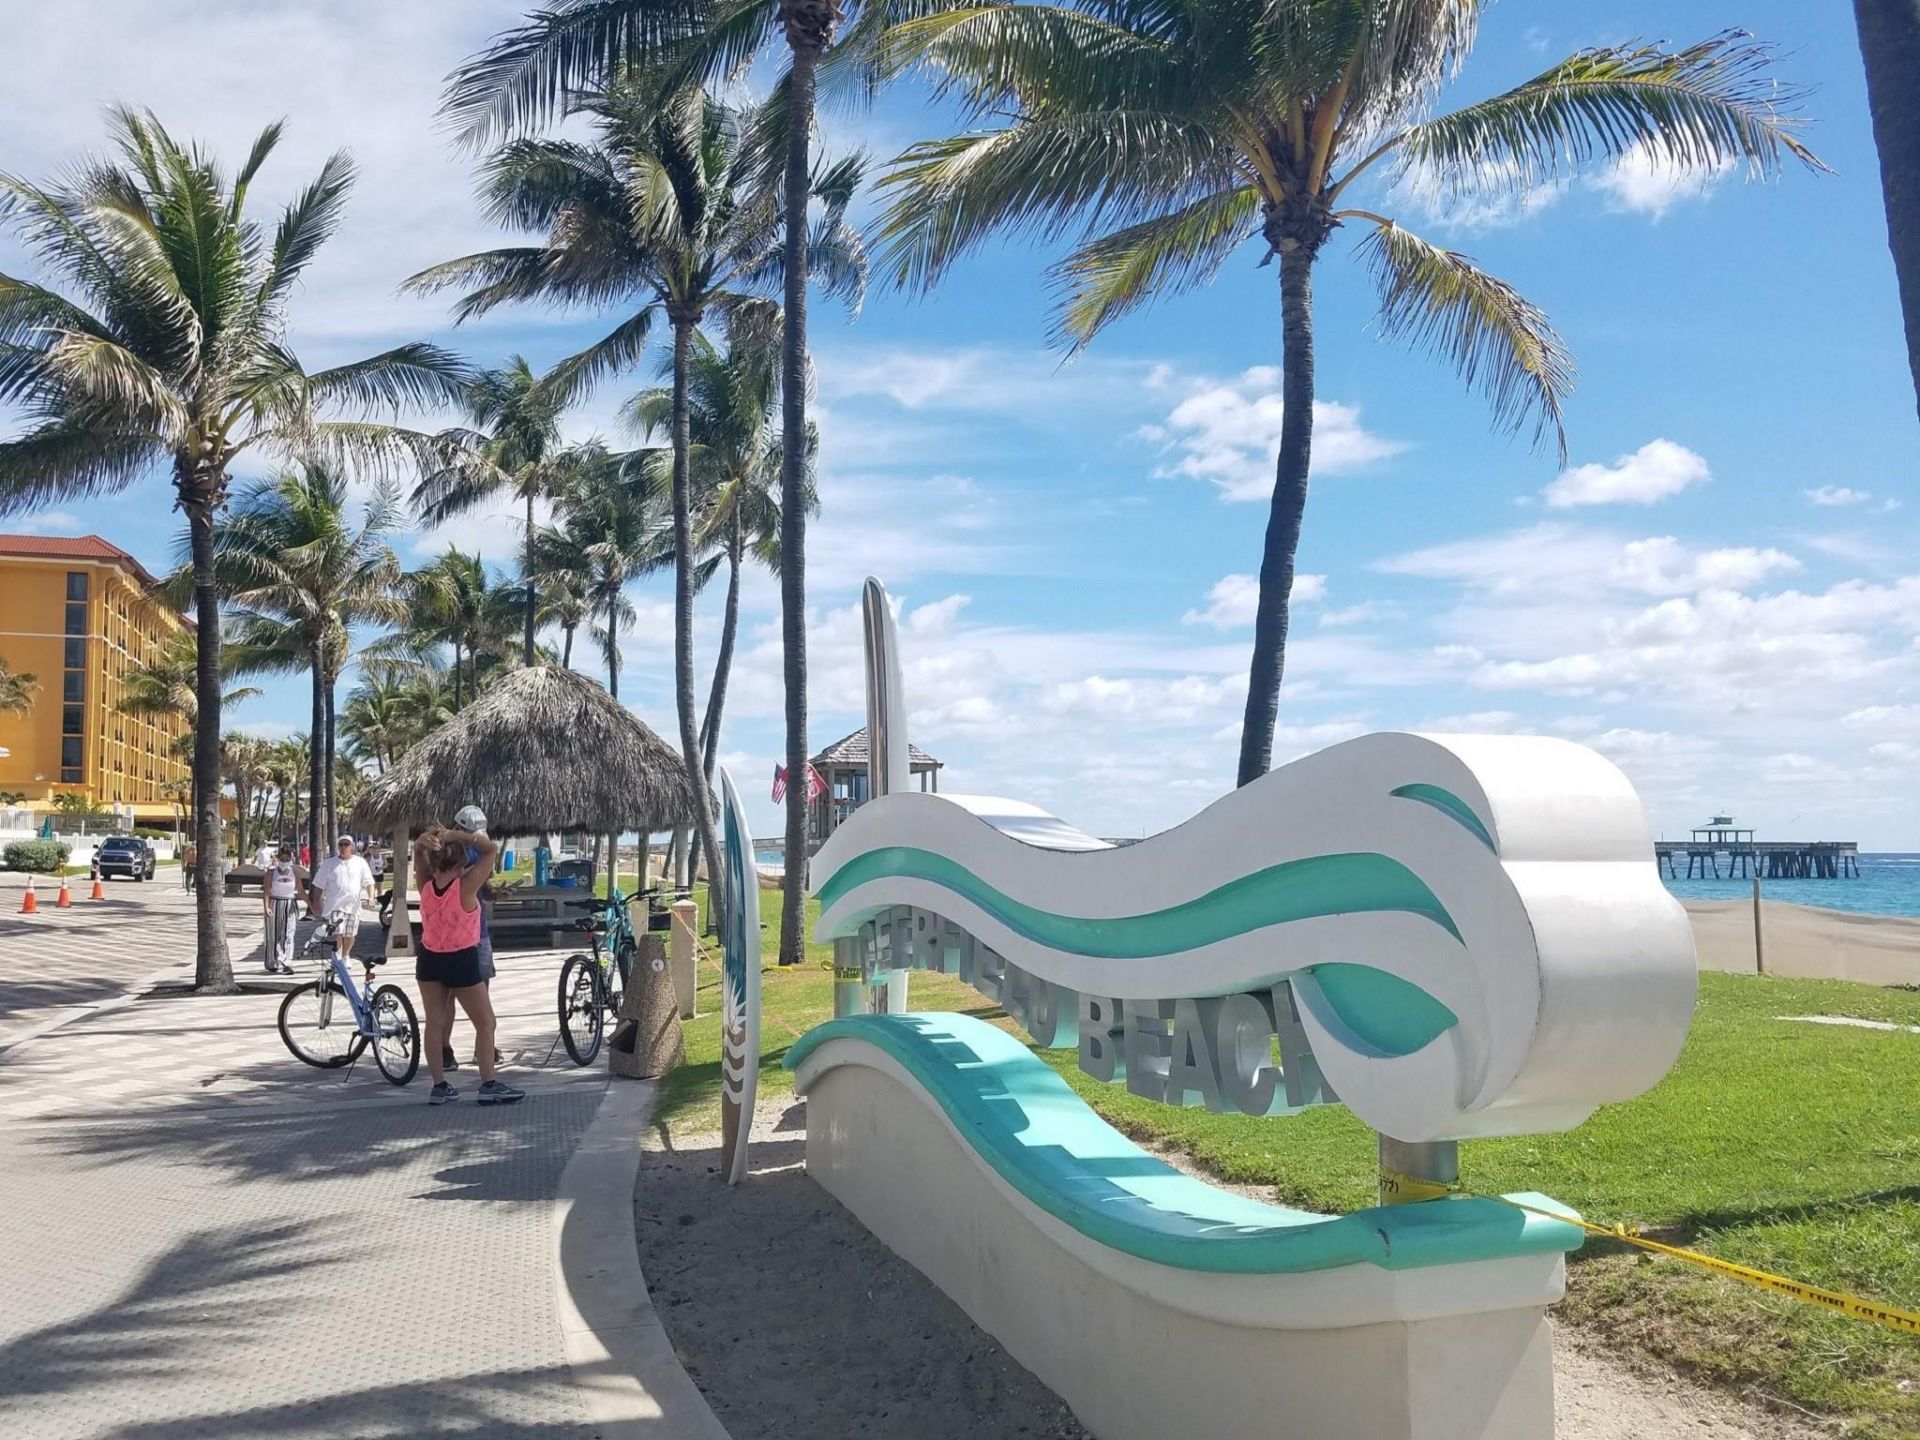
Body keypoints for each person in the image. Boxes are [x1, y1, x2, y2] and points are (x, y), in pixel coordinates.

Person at [413, 824, 523, 1106]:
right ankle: (488, 1084)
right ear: (461, 863)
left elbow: (418, 854)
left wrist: (423, 844)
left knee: (434, 1023)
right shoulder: (465, 887)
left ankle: (439, 1086)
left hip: (429, 958)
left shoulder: (426, 885)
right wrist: (459, 835)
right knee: (486, 1022)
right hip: (461, 958)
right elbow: (491, 849)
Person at [307, 835, 374, 966]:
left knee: (350, 934)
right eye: (341, 844)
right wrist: (315, 904)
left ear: (352, 846)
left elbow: (369, 882)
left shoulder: (360, 862)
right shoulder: (329, 864)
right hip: (335, 906)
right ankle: (337, 957)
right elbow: (318, 885)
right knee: (338, 932)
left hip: (353, 906)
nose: (344, 847)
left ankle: (345, 955)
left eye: (346, 844)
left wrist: (371, 897)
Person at [261, 843, 301, 974]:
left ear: (291, 859)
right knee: (273, 935)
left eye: (287, 859)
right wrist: (266, 907)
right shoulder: (271, 873)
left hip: (290, 904)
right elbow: (266, 891)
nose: (284, 862)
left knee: (289, 933)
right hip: (275, 904)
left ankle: (286, 962)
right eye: (282, 859)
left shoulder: (294, 873)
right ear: (278, 859)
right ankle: (272, 962)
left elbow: (301, 891)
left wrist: (312, 906)